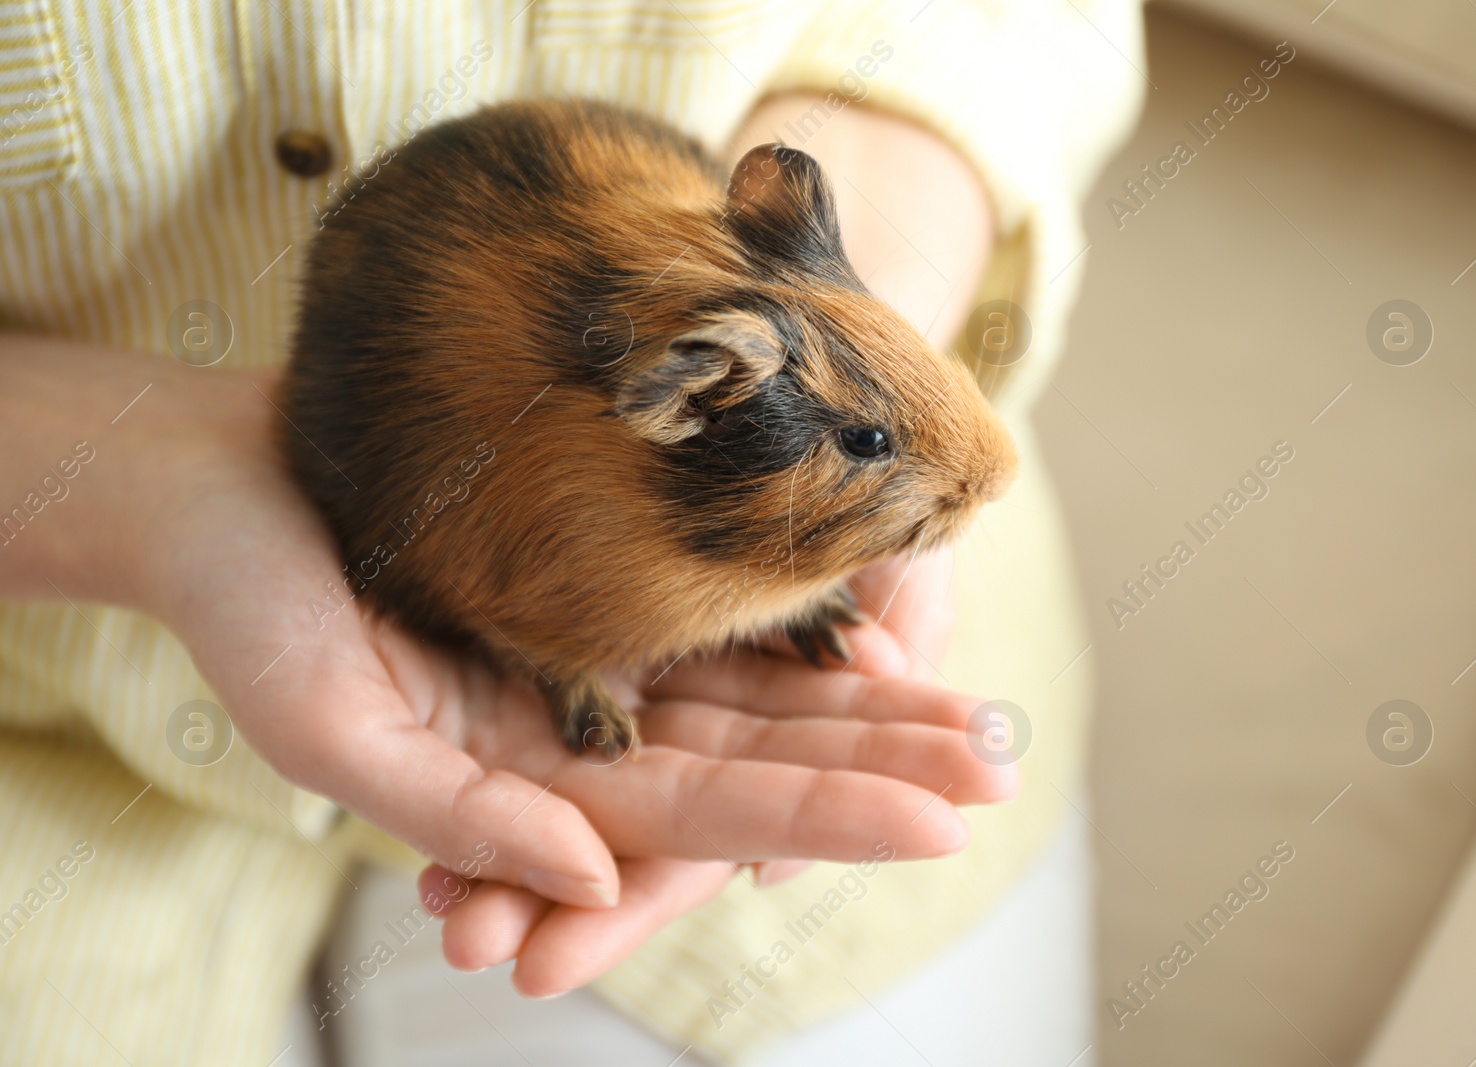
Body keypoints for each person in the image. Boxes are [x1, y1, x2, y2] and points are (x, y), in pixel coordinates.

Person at [0, 1, 1144, 1063]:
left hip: (775, 872)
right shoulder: (574, 514)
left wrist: (901, 261)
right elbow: (520, 571)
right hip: (56, 728)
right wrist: (129, 482)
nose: (974, 472)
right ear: (686, 408)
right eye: (862, 446)